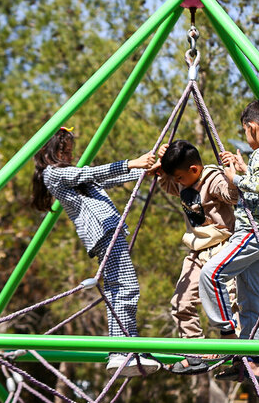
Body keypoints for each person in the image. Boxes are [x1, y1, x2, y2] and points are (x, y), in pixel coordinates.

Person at [31, 126, 161, 377]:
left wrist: (141, 172)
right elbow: (90, 173)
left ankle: (124, 349)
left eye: (70, 152)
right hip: (103, 232)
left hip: (108, 230)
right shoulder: (53, 174)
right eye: (64, 152)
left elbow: (102, 179)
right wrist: (131, 163)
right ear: (49, 152)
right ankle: (124, 349)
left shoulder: (71, 175)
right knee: (126, 288)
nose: (69, 157)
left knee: (118, 289)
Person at [198, 100, 259, 381]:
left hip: (252, 232)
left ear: (251, 127)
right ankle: (251, 362)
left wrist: (235, 177)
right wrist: (243, 169)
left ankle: (227, 335)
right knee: (250, 298)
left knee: (210, 274)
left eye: (245, 131)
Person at [154, 140, 239, 375]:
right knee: (180, 303)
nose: (177, 183)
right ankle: (195, 353)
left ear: (193, 170)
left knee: (228, 304)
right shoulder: (183, 181)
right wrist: (162, 166)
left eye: (179, 177)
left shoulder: (212, 178)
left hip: (221, 246)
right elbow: (168, 184)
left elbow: (232, 195)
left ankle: (236, 355)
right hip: (198, 250)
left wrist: (233, 175)